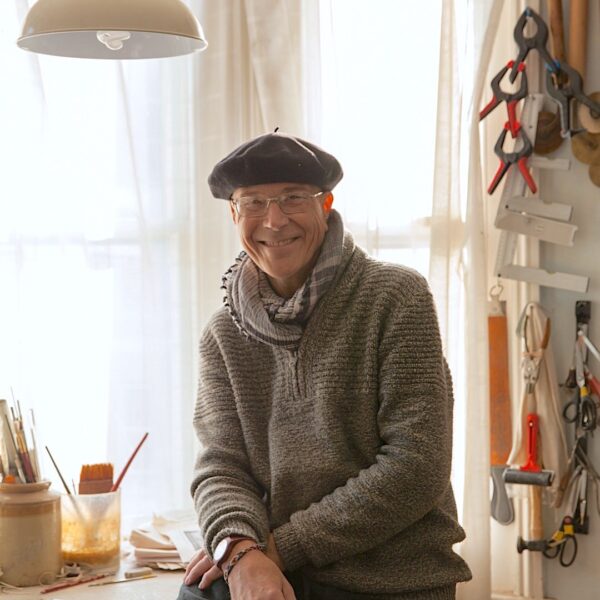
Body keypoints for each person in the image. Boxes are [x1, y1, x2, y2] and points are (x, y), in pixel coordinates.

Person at [177, 132, 472, 600]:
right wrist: (237, 548)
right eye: (253, 202)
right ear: (234, 214)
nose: (274, 220)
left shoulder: (395, 297)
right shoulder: (223, 333)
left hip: (391, 579)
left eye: (293, 198)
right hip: (274, 566)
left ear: (326, 205)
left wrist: (277, 549)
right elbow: (220, 466)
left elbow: (417, 467)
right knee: (193, 593)